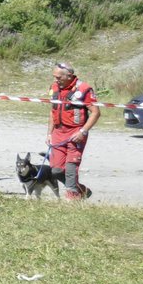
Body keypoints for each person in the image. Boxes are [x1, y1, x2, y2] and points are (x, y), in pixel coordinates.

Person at [48, 61, 99, 199]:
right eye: (54, 77)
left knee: (71, 168)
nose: (56, 80)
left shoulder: (84, 89)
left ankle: (72, 198)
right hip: (58, 133)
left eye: (59, 77)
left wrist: (83, 132)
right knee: (56, 170)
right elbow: (53, 112)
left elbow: (95, 112)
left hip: (76, 133)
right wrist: (49, 133)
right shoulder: (54, 87)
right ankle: (82, 191)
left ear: (69, 76)